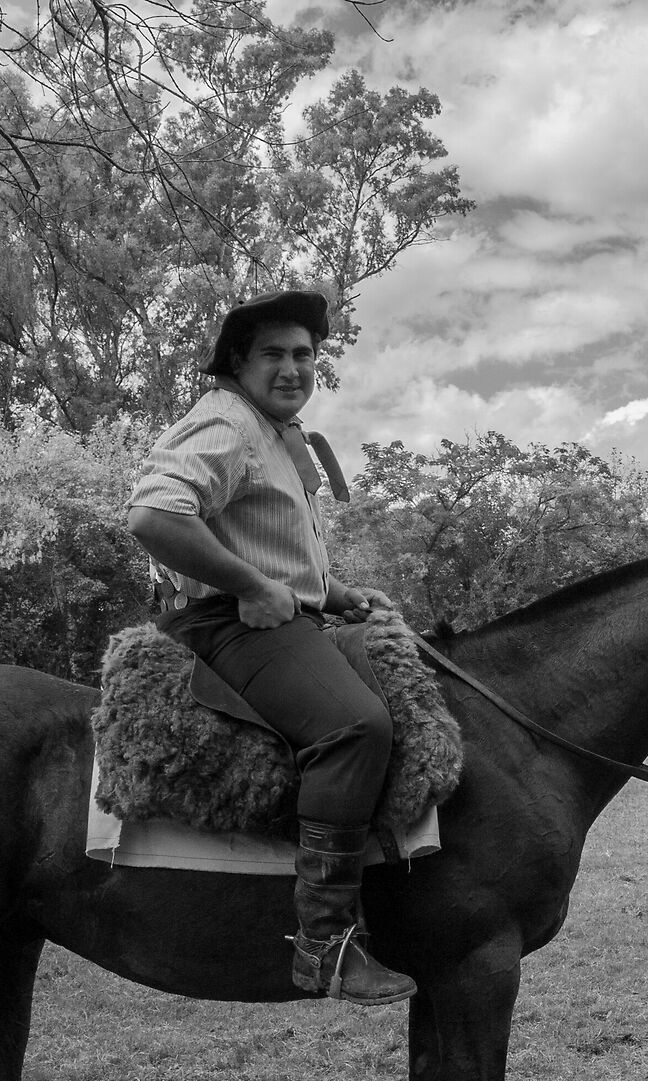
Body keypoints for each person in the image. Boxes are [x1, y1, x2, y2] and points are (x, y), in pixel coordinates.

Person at [124, 288, 417, 1007]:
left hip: (277, 617)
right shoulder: (227, 423)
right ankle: (325, 944)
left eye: (304, 355)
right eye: (274, 355)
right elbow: (153, 514)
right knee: (356, 727)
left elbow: (278, 554)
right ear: (238, 363)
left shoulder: (276, 434)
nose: (293, 368)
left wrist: (337, 593)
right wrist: (250, 585)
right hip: (227, 622)